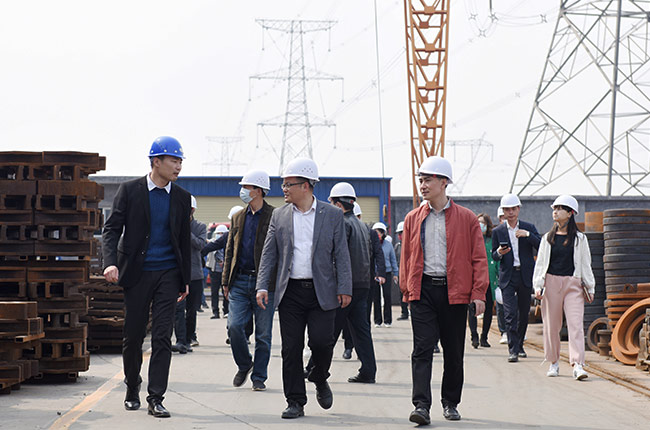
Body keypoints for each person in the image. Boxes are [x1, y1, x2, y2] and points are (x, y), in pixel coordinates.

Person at [255, 157, 352, 419]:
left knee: (322, 343)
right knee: (291, 349)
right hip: (290, 293)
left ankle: (319, 376)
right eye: (283, 184)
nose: (284, 189)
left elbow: (341, 254)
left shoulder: (332, 215)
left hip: (322, 291)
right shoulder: (279, 215)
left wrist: (345, 287)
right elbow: (269, 254)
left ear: (306, 186)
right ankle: (295, 401)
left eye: (289, 184)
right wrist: (262, 285)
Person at [102, 136, 191, 418]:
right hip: (137, 273)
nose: (178, 167)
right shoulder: (130, 191)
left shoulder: (182, 197)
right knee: (134, 335)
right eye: (174, 161)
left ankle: (156, 397)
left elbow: (183, 240)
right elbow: (111, 229)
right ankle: (132, 386)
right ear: (156, 161)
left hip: (168, 273)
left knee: (163, 336)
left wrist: (185, 279)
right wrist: (110, 263)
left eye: (180, 161)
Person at [400, 156, 488, 426]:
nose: (422, 185)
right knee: (422, 349)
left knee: (453, 351)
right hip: (424, 291)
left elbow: (478, 258)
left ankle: (450, 402)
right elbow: (406, 257)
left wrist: (479, 293)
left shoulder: (467, 219)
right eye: (420, 180)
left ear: (444, 182)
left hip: (455, 292)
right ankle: (421, 405)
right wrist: (407, 290)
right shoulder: (413, 218)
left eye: (427, 180)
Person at [222, 170, 276, 391]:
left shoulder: (275, 216)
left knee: (263, 335)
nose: (243, 191)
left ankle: (259, 377)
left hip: (265, 284)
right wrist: (225, 281)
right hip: (239, 281)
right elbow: (229, 250)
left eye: (247, 187)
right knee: (234, 327)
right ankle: (245, 364)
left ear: (259, 190)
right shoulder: (238, 217)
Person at [533, 195, 594, 380]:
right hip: (551, 283)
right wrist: (538, 285)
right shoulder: (547, 238)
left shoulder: (580, 239)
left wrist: (590, 287)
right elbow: (540, 264)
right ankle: (553, 362)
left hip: (573, 284)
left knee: (576, 325)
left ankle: (578, 364)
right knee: (552, 326)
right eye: (555, 208)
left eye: (560, 208)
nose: (555, 212)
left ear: (570, 213)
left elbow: (586, 264)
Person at [327, 182, 377, 383]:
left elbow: (339, 257)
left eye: (331, 203)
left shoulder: (343, 224)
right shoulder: (362, 226)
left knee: (329, 331)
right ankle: (368, 371)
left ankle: (315, 368)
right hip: (362, 284)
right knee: (361, 332)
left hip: (346, 286)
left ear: (338, 205)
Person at [492, 194, 541, 363]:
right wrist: (499, 252)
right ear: (503, 211)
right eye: (507, 210)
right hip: (508, 276)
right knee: (510, 314)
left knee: (524, 313)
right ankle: (512, 349)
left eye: (513, 209)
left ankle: (520, 345)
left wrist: (528, 235)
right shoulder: (498, 231)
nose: (510, 212)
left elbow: (541, 246)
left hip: (525, 275)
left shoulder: (528, 227)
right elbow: (494, 256)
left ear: (519, 209)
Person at [172, 196, 207, 353]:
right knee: (179, 308)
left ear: (192, 210)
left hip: (194, 275)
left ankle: (189, 337)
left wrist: (186, 231)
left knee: (192, 310)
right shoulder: (173, 225)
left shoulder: (200, 227)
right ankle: (181, 341)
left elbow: (200, 245)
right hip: (177, 274)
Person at [468, 213, 498, 348]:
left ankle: (484, 336)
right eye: (478, 222)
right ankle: (474, 335)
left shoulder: (491, 240)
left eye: (483, 223)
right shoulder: (471, 239)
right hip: (474, 279)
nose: (481, 225)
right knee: (472, 308)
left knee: (488, 309)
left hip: (489, 279)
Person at [371, 222, 398, 328]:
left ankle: (388, 320)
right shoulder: (371, 244)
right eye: (375, 232)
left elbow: (393, 260)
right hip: (375, 274)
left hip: (387, 272)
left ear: (383, 233)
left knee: (387, 296)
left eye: (379, 233)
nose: (378, 235)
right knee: (376, 297)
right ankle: (377, 321)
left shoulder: (388, 245)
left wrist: (395, 273)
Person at [206, 224, 228, 319]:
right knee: (214, 292)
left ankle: (226, 311)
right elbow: (207, 244)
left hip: (225, 272)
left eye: (222, 233)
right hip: (214, 271)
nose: (220, 235)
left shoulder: (229, 243)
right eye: (218, 233)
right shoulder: (213, 242)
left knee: (225, 291)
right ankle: (215, 312)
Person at [394, 221, 410, 321]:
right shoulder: (398, 246)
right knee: (402, 293)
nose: (399, 236)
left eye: (401, 233)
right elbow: (395, 260)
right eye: (398, 234)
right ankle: (404, 312)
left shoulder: (413, 244)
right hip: (402, 273)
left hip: (411, 273)